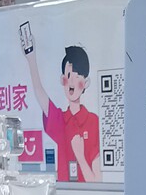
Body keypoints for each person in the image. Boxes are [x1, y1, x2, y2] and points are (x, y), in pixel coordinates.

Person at [22, 27, 101, 183]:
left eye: (77, 76)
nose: (71, 81)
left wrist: (80, 157)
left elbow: (97, 182)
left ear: (86, 83)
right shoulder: (61, 120)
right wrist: (31, 58)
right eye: (68, 75)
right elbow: (39, 92)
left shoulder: (93, 122)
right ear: (62, 79)